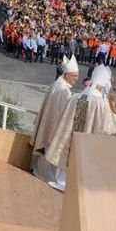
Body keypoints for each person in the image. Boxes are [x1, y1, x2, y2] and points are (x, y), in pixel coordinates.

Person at [46, 65, 116, 191]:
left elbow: (63, 119)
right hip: (86, 143)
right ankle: (74, 185)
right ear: (103, 84)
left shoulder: (76, 97)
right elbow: (108, 128)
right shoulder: (101, 104)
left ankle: (61, 181)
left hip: (70, 139)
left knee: (70, 152)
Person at [30, 55, 79, 188]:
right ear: (67, 74)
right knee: (48, 153)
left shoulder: (59, 85)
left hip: (49, 126)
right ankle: (44, 176)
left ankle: (41, 173)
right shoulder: (62, 90)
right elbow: (62, 112)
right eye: (74, 75)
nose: (76, 78)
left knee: (45, 154)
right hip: (53, 129)